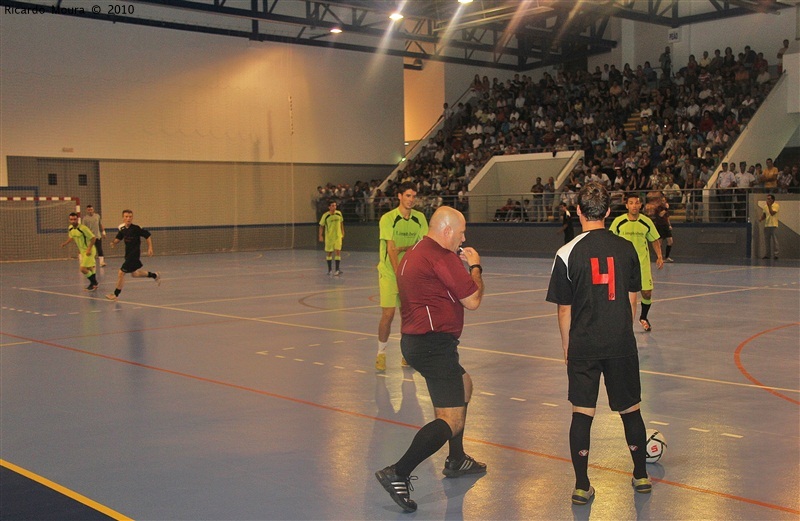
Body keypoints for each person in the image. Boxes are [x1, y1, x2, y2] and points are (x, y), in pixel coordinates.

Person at [546, 182, 651, 506]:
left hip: (584, 344)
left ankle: (582, 485)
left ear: (578, 211)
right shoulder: (626, 248)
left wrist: (568, 347)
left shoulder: (566, 253)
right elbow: (633, 300)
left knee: (582, 414)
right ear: (608, 212)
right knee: (630, 410)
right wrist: (620, 328)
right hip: (620, 341)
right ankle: (641, 475)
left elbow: (564, 309)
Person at [375, 206, 486, 513]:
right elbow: (473, 300)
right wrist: (475, 267)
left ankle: (456, 459)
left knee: (464, 385)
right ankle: (398, 471)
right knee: (449, 420)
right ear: (447, 231)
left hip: (416, 341)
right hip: (433, 346)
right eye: (461, 232)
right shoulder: (441, 256)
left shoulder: (413, 252)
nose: (464, 238)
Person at [376, 182, 429, 371]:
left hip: (410, 273)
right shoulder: (388, 218)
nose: (411, 199)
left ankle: (407, 354)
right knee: (388, 314)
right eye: (408, 195)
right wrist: (399, 274)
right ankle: (381, 353)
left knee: (408, 317)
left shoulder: (420, 218)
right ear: (399, 196)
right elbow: (391, 248)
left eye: (414, 196)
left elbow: (421, 246)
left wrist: (405, 248)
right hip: (390, 273)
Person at [610, 194, 664, 331]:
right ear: (626, 205)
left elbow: (654, 240)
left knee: (646, 293)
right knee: (623, 295)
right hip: (623, 264)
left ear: (640, 205)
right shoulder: (618, 221)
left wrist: (659, 256)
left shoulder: (646, 221)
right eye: (631, 203)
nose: (634, 205)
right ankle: (623, 323)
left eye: (637, 203)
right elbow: (610, 240)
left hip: (642, 264)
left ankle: (643, 317)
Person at [105, 210, 160, 301]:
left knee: (121, 272)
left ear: (132, 218)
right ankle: (154, 275)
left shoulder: (136, 228)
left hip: (134, 255)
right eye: (126, 217)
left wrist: (150, 247)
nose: (128, 218)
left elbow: (147, 235)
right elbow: (119, 238)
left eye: (130, 217)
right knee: (135, 274)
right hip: (128, 254)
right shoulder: (122, 229)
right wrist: (113, 243)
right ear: (123, 218)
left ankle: (115, 294)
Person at [60, 212, 99, 291]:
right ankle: (94, 285)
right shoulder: (70, 228)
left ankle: (94, 283)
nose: (73, 221)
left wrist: (89, 249)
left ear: (77, 219)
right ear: (69, 220)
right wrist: (65, 243)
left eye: (75, 219)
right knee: (90, 268)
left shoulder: (83, 228)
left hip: (89, 250)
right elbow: (72, 237)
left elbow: (93, 238)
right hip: (82, 251)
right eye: (71, 219)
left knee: (83, 269)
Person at [318, 200, 345, 276]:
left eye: (335, 205)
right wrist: (320, 235)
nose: (334, 207)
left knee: (338, 251)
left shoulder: (339, 214)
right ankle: (329, 270)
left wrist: (343, 232)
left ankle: (337, 269)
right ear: (329, 207)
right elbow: (321, 226)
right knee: (329, 253)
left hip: (338, 236)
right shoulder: (325, 215)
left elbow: (341, 223)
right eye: (332, 206)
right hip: (329, 237)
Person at [759, 194, 780, 259]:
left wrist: (769, 206)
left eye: (769, 199)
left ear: (773, 199)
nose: (768, 200)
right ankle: (767, 254)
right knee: (767, 241)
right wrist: (761, 218)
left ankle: (776, 254)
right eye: (767, 199)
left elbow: (772, 213)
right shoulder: (765, 207)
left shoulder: (776, 205)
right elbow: (765, 214)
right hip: (767, 225)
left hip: (774, 225)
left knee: (775, 241)